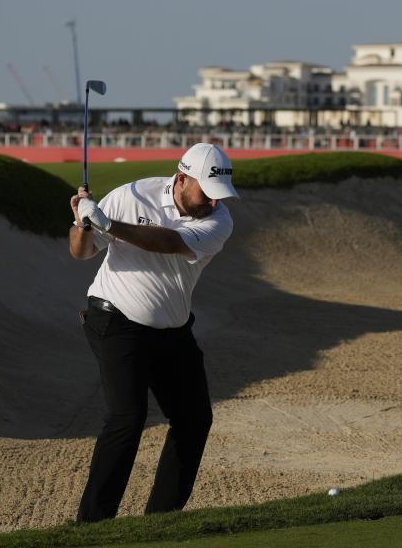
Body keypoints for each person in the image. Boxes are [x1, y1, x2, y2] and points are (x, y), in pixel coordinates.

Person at [69, 142, 239, 523]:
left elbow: (170, 243)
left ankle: (161, 520)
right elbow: (81, 252)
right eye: (207, 194)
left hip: (172, 332)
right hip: (115, 320)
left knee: (194, 419)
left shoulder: (220, 220)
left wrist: (108, 224)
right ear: (182, 179)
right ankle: (93, 524)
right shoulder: (131, 196)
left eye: (219, 196)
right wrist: (81, 221)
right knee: (127, 417)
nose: (214, 203)